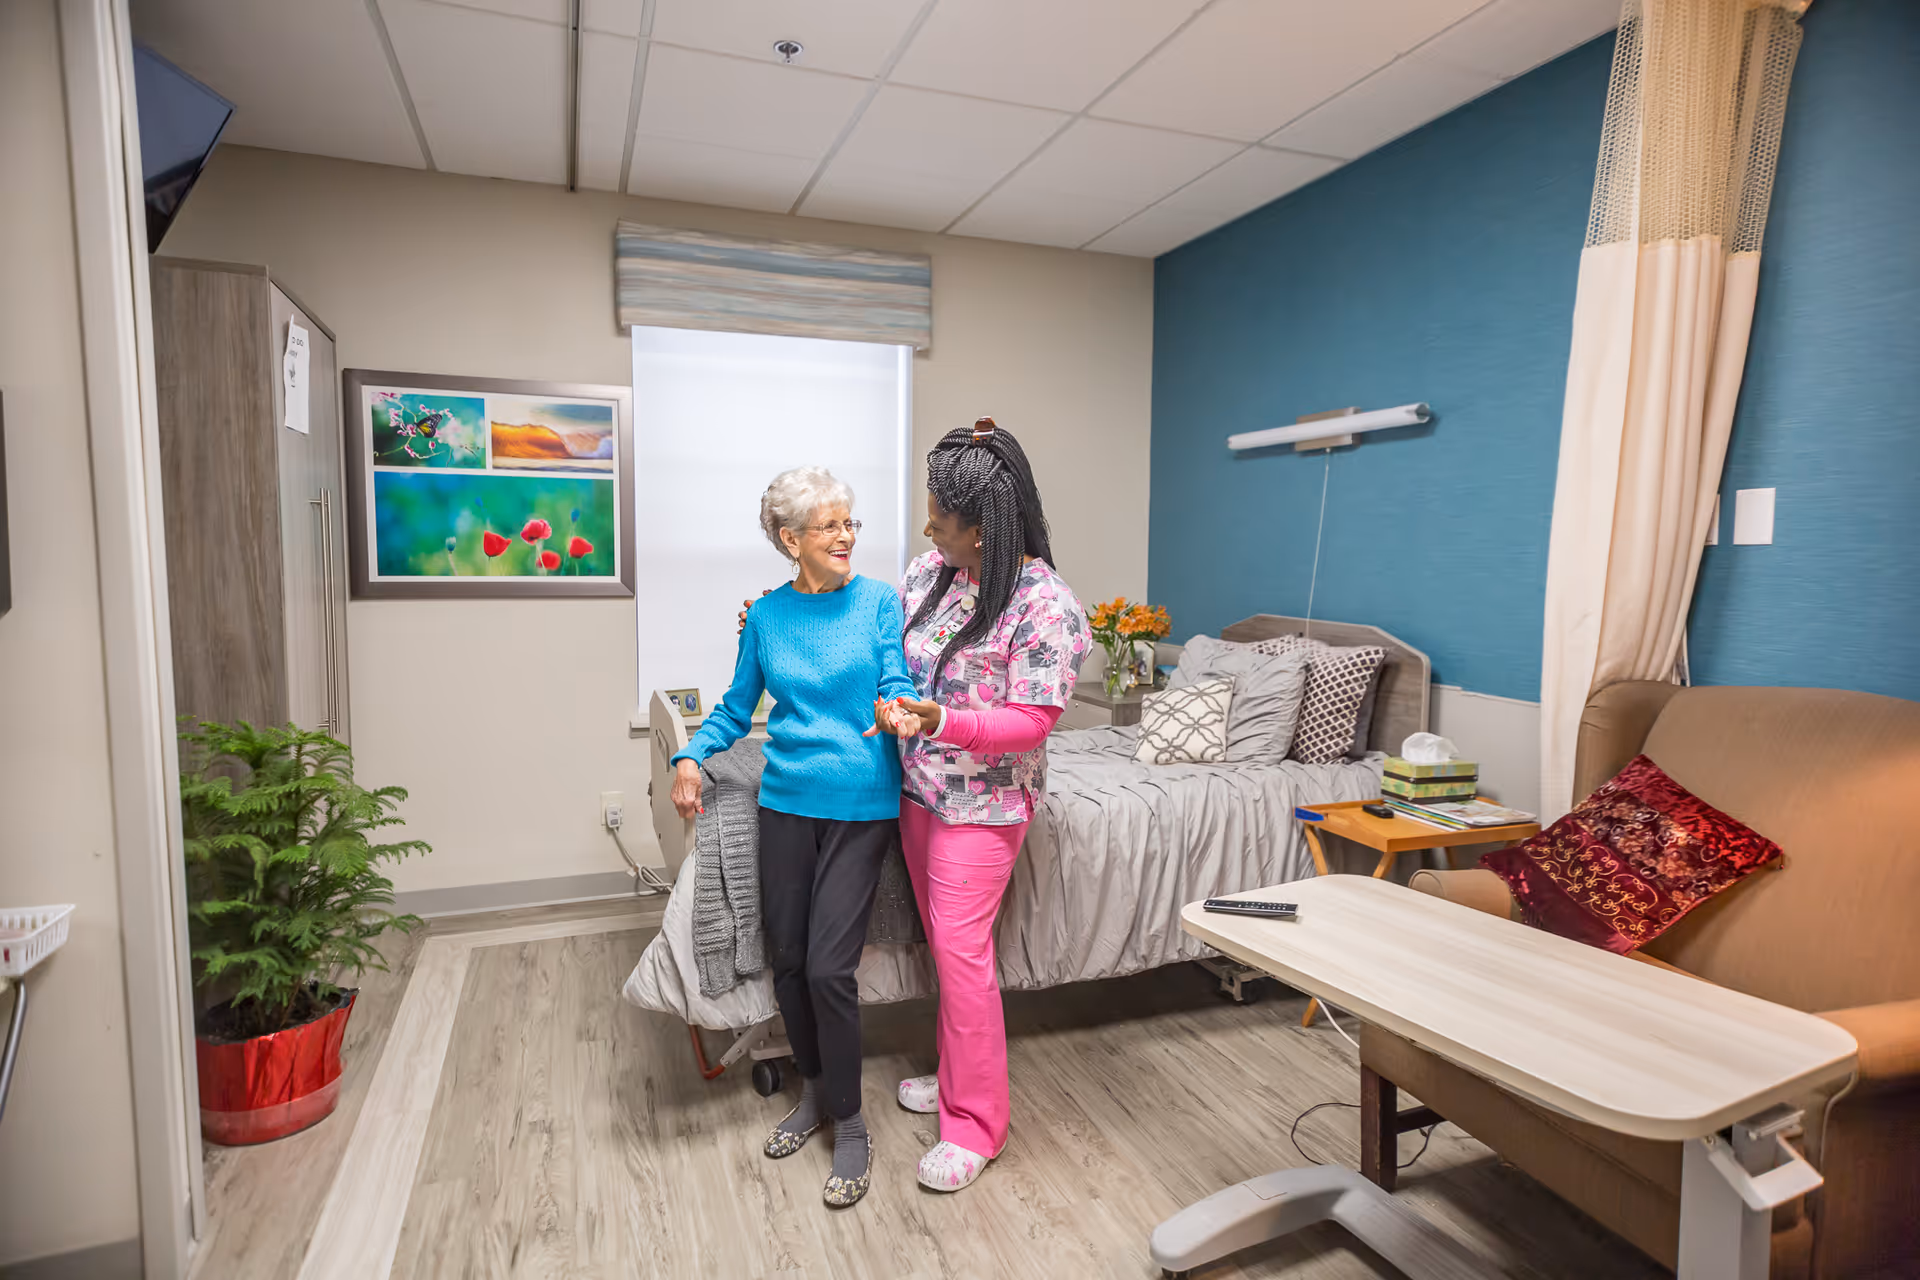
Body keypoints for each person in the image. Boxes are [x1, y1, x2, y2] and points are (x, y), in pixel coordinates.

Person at [668, 466, 913, 1209]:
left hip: (862, 805)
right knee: (790, 961)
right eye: (830, 526)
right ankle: (813, 1092)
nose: (846, 537)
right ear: (790, 540)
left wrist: (898, 707)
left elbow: (896, 677)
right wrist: (688, 755)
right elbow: (736, 707)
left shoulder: (877, 602)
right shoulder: (768, 619)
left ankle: (851, 1120)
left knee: (830, 971)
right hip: (785, 804)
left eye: (850, 523)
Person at [872, 418, 1090, 1193]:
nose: (928, 528)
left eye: (941, 516)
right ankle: (958, 1074)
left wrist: (940, 720)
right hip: (920, 791)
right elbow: (885, 642)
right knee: (947, 952)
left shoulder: (1045, 606)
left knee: (964, 961)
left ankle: (975, 1125)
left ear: (985, 528)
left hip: (985, 808)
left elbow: (1030, 721)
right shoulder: (935, 572)